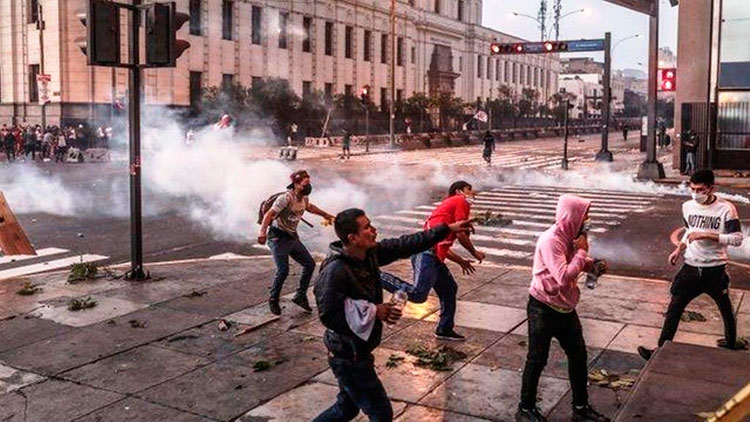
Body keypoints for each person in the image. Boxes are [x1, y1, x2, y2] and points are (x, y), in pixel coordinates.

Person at [314, 208, 473, 422]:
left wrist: (447, 229)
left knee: (347, 408)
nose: (374, 230)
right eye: (367, 227)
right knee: (381, 413)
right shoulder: (335, 270)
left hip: (357, 350)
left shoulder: (369, 253)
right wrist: (374, 311)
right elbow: (328, 315)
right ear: (352, 238)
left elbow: (406, 244)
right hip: (348, 355)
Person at [516, 194, 610, 422]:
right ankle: (525, 409)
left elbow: (572, 262)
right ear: (572, 216)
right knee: (537, 359)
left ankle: (581, 407)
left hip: (566, 309)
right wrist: (583, 252)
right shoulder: (551, 240)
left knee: (578, 356)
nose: (587, 220)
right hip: (542, 308)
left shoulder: (571, 237)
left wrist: (592, 265)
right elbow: (563, 276)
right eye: (585, 215)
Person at [638, 170, 744, 361]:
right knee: (675, 308)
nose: (696, 194)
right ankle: (659, 352)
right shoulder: (687, 206)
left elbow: (736, 239)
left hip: (715, 269)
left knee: (726, 308)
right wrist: (679, 249)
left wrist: (706, 235)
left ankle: (731, 342)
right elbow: (689, 231)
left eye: (700, 190)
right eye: (692, 189)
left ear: (711, 188)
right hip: (691, 267)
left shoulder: (726, 209)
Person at [381, 181, 484, 341]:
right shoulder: (460, 200)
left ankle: (444, 329)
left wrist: (461, 261)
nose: (473, 192)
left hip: (434, 256)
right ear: (459, 191)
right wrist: (474, 252)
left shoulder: (447, 209)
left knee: (449, 289)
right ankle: (378, 275)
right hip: (425, 254)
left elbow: (442, 247)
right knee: (418, 295)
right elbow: (461, 234)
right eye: (469, 189)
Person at [258, 170, 335, 316]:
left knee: (309, 264)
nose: (308, 187)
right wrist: (262, 232)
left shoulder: (304, 198)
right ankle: (273, 298)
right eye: (305, 184)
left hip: (291, 237)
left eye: (309, 183)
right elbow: (269, 214)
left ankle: (300, 295)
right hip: (278, 238)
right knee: (283, 270)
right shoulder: (285, 198)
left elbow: (310, 207)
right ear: (296, 184)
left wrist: (325, 214)